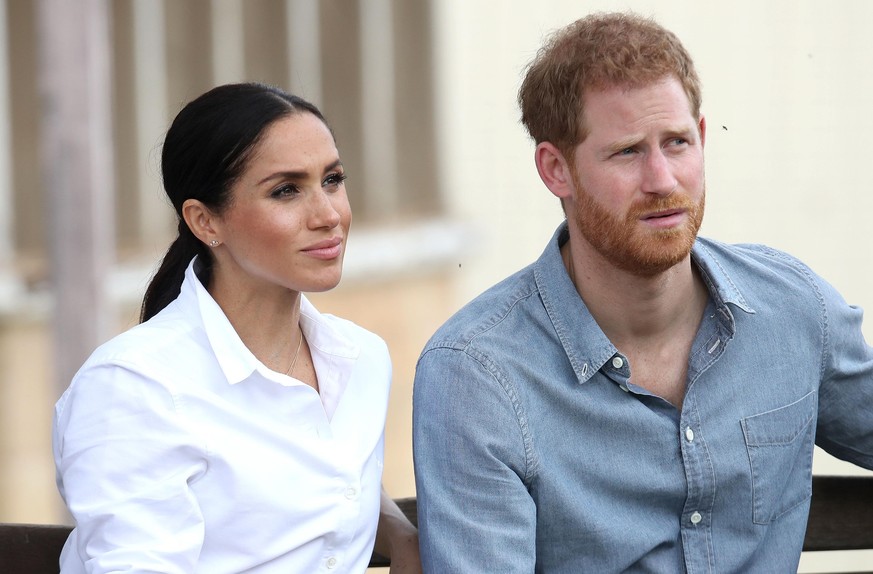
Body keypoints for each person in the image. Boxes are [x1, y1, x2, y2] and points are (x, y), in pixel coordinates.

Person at [412, 12, 873, 573]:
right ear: (556, 170)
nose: (662, 179)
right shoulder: (477, 376)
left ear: (702, 138)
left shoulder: (794, 311)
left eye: (676, 143)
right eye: (628, 151)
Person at [52, 82, 420, 573]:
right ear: (206, 221)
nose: (329, 215)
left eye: (332, 179)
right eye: (286, 190)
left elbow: (328, 474)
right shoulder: (133, 388)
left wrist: (399, 532)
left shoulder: (360, 359)